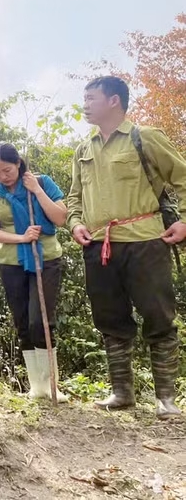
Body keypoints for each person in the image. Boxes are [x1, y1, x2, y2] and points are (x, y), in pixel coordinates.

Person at [68, 76, 186, 419]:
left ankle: (166, 399)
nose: (85, 104)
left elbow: (181, 176)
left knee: (159, 316)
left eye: (91, 97)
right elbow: (75, 197)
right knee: (110, 319)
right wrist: (75, 223)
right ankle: (122, 393)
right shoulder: (83, 149)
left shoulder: (144, 138)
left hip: (145, 242)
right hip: (99, 246)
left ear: (114, 101)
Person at [0, 142, 68, 402]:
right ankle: (36, 387)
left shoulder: (42, 182)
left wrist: (36, 190)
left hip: (46, 258)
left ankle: (52, 386)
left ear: (18, 163)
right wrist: (22, 237)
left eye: (7, 170)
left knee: (42, 321)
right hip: (11, 261)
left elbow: (60, 218)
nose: (3, 177)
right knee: (23, 322)